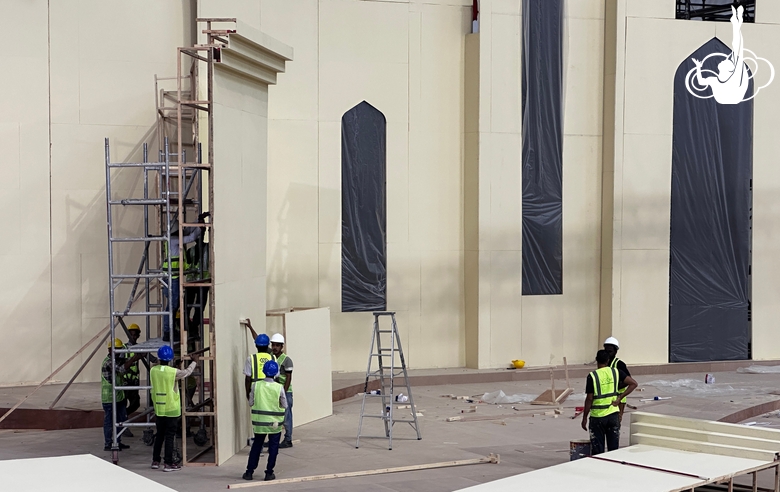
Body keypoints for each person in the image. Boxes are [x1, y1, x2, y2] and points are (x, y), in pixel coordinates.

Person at [150, 345, 199, 472]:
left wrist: (175, 366)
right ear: (170, 358)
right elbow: (186, 373)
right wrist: (194, 361)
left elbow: (165, 373)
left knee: (159, 435)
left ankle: (155, 461)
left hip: (159, 408)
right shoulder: (173, 372)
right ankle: (168, 463)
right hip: (171, 409)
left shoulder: (153, 370)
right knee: (170, 436)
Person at [162, 212, 209, 342]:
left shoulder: (171, 237)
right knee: (173, 305)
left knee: (174, 305)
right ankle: (168, 331)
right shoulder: (174, 240)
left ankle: (171, 330)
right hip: (173, 278)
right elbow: (191, 236)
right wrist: (201, 227)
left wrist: (199, 220)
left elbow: (187, 229)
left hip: (172, 277)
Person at [581, 350, 638, 455]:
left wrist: (584, 417)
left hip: (597, 417)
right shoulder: (615, 372)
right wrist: (620, 397)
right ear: (608, 360)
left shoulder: (592, 376)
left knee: (598, 450)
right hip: (613, 415)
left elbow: (589, 399)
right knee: (614, 449)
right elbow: (633, 384)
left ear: (596, 360)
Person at [691, 5, 749, 104]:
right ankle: (736, 23)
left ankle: (736, 23)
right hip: (728, 96)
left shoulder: (732, 78)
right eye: (728, 60)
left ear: (728, 69)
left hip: (732, 96)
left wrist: (736, 25)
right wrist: (698, 67)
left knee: (737, 52)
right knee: (737, 53)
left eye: (727, 61)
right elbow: (701, 82)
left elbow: (738, 48)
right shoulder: (716, 80)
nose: (725, 59)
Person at [243, 360, 287, 482]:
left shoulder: (255, 385)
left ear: (263, 372)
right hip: (275, 424)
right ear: (276, 373)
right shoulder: (279, 387)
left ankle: (249, 472)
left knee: (257, 445)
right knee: (273, 447)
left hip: (259, 423)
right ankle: (269, 473)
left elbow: (251, 402)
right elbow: (285, 405)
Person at [102, 338, 144, 451]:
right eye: (117, 350)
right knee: (109, 422)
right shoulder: (109, 362)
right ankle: (108, 443)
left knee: (121, 421)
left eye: (120, 350)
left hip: (119, 397)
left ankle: (117, 442)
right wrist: (135, 358)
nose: (119, 352)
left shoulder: (116, 359)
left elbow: (125, 361)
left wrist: (135, 357)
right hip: (109, 399)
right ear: (110, 350)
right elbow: (121, 369)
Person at [269, 333, 294, 448]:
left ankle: (288, 439)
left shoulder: (287, 360)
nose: (275, 347)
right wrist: (250, 327)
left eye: (277, 345)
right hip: (274, 391)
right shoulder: (271, 355)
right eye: (273, 345)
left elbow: (288, 377)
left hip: (285, 391)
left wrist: (282, 393)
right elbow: (259, 342)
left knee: (286, 415)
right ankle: (273, 439)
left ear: (281, 346)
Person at [243, 319, 276, 400]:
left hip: (256, 389)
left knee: (257, 409)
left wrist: (247, 392)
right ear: (268, 345)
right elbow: (277, 377)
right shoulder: (272, 357)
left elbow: (248, 378)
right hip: (270, 389)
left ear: (256, 346)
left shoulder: (251, 358)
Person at [603, 336, 631, 422]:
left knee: (616, 421)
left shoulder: (619, 364)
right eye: (606, 351)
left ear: (615, 351)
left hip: (619, 398)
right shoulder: (605, 363)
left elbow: (629, 381)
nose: (608, 353)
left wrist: (615, 387)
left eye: (610, 351)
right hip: (608, 397)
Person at [124, 324, 143, 418]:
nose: (133, 337)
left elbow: (151, 358)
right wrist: (135, 358)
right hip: (125, 381)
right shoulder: (123, 348)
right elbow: (121, 364)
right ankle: (121, 419)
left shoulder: (139, 347)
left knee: (135, 404)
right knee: (122, 404)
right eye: (131, 335)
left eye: (135, 335)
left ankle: (123, 416)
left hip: (134, 381)